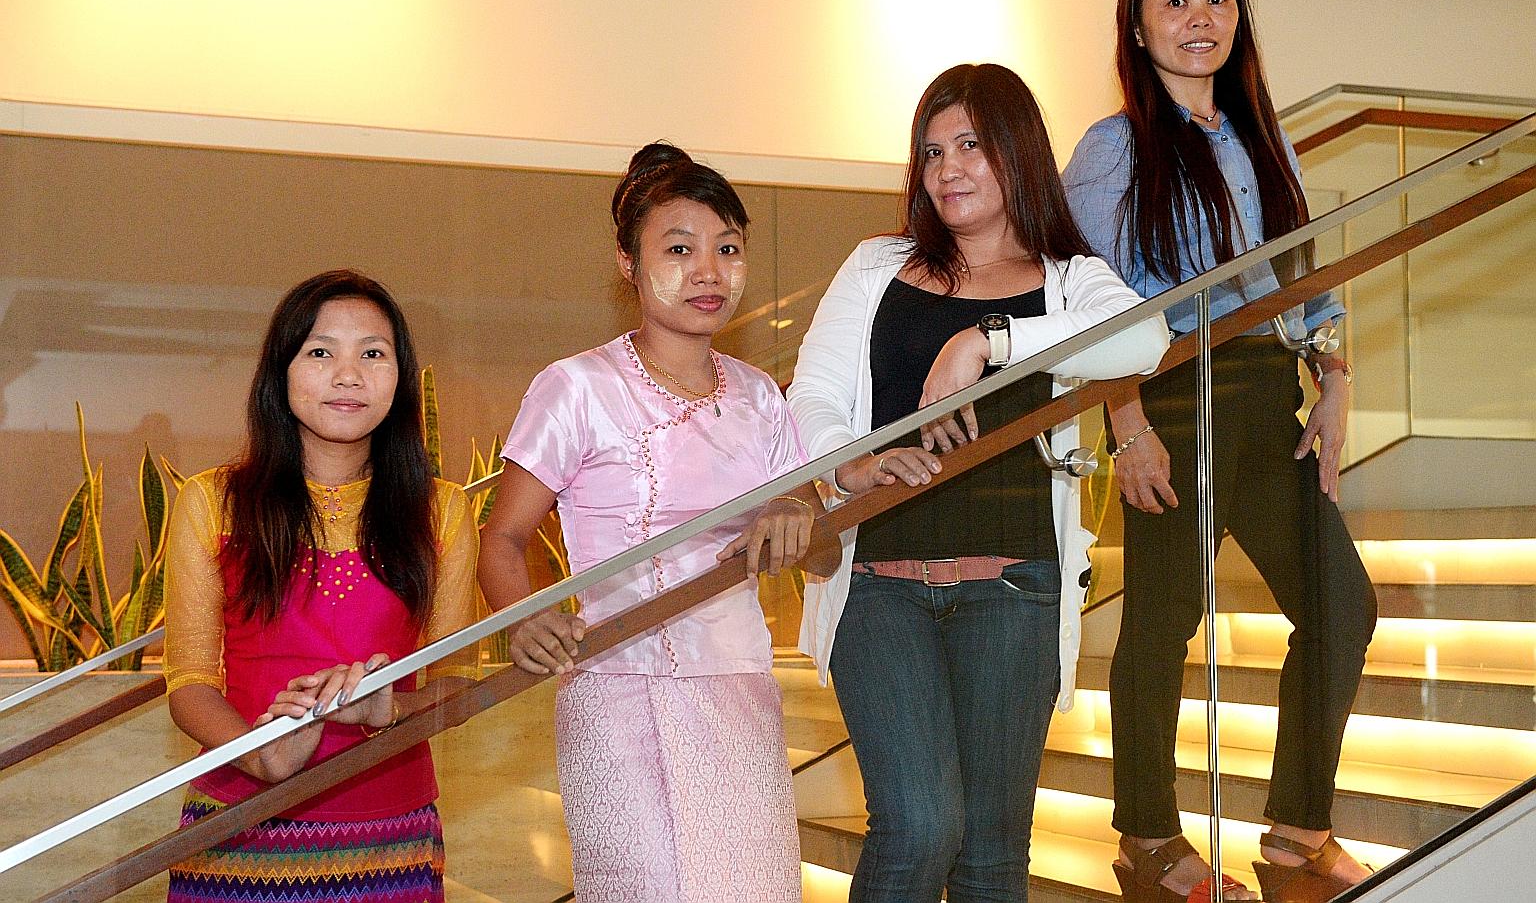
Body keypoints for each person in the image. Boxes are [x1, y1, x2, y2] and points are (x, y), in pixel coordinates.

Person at [788, 63, 1169, 903]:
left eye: (969, 145)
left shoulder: (1070, 277)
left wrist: (986, 342)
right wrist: (850, 463)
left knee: (994, 857)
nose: (948, 168)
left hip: (1014, 588)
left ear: (1017, 151)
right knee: (919, 827)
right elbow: (811, 395)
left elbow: (1142, 339)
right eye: (931, 152)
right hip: (879, 588)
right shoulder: (876, 266)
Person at [1061, 0, 1378, 903]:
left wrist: (1333, 375)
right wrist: (1129, 419)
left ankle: (1296, 830)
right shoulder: (1114, 148)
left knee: (1341, 608)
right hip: (1171, 393)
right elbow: (1097, 303)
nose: (1200, 19)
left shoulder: (1263, 136)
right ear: (1139, 23)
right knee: (1163, 620)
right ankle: (1148, 835)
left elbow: (1297, 272)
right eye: (1176, 1)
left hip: (1265, 395)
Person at [477, 143, 832, 903]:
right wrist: (524, 617)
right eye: (679, 248)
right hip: (616, 691)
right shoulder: (576, 387)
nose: (708, 270)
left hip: (740, 693)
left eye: (728, 249)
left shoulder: (761, 396)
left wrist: (797, 508)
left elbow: (826, 549)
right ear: (628, 265)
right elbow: (502, 537)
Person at [162, 269, 481, 903]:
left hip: (391, 838)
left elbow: (455, 689)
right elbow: (188, 680)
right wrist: (263, 755)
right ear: (280, 372)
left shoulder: (441, 511)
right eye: (320, 351)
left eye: (373, 353)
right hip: (239, 830)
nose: (348, 374)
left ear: (400, 375)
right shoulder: (212, 502)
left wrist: (383, 710)